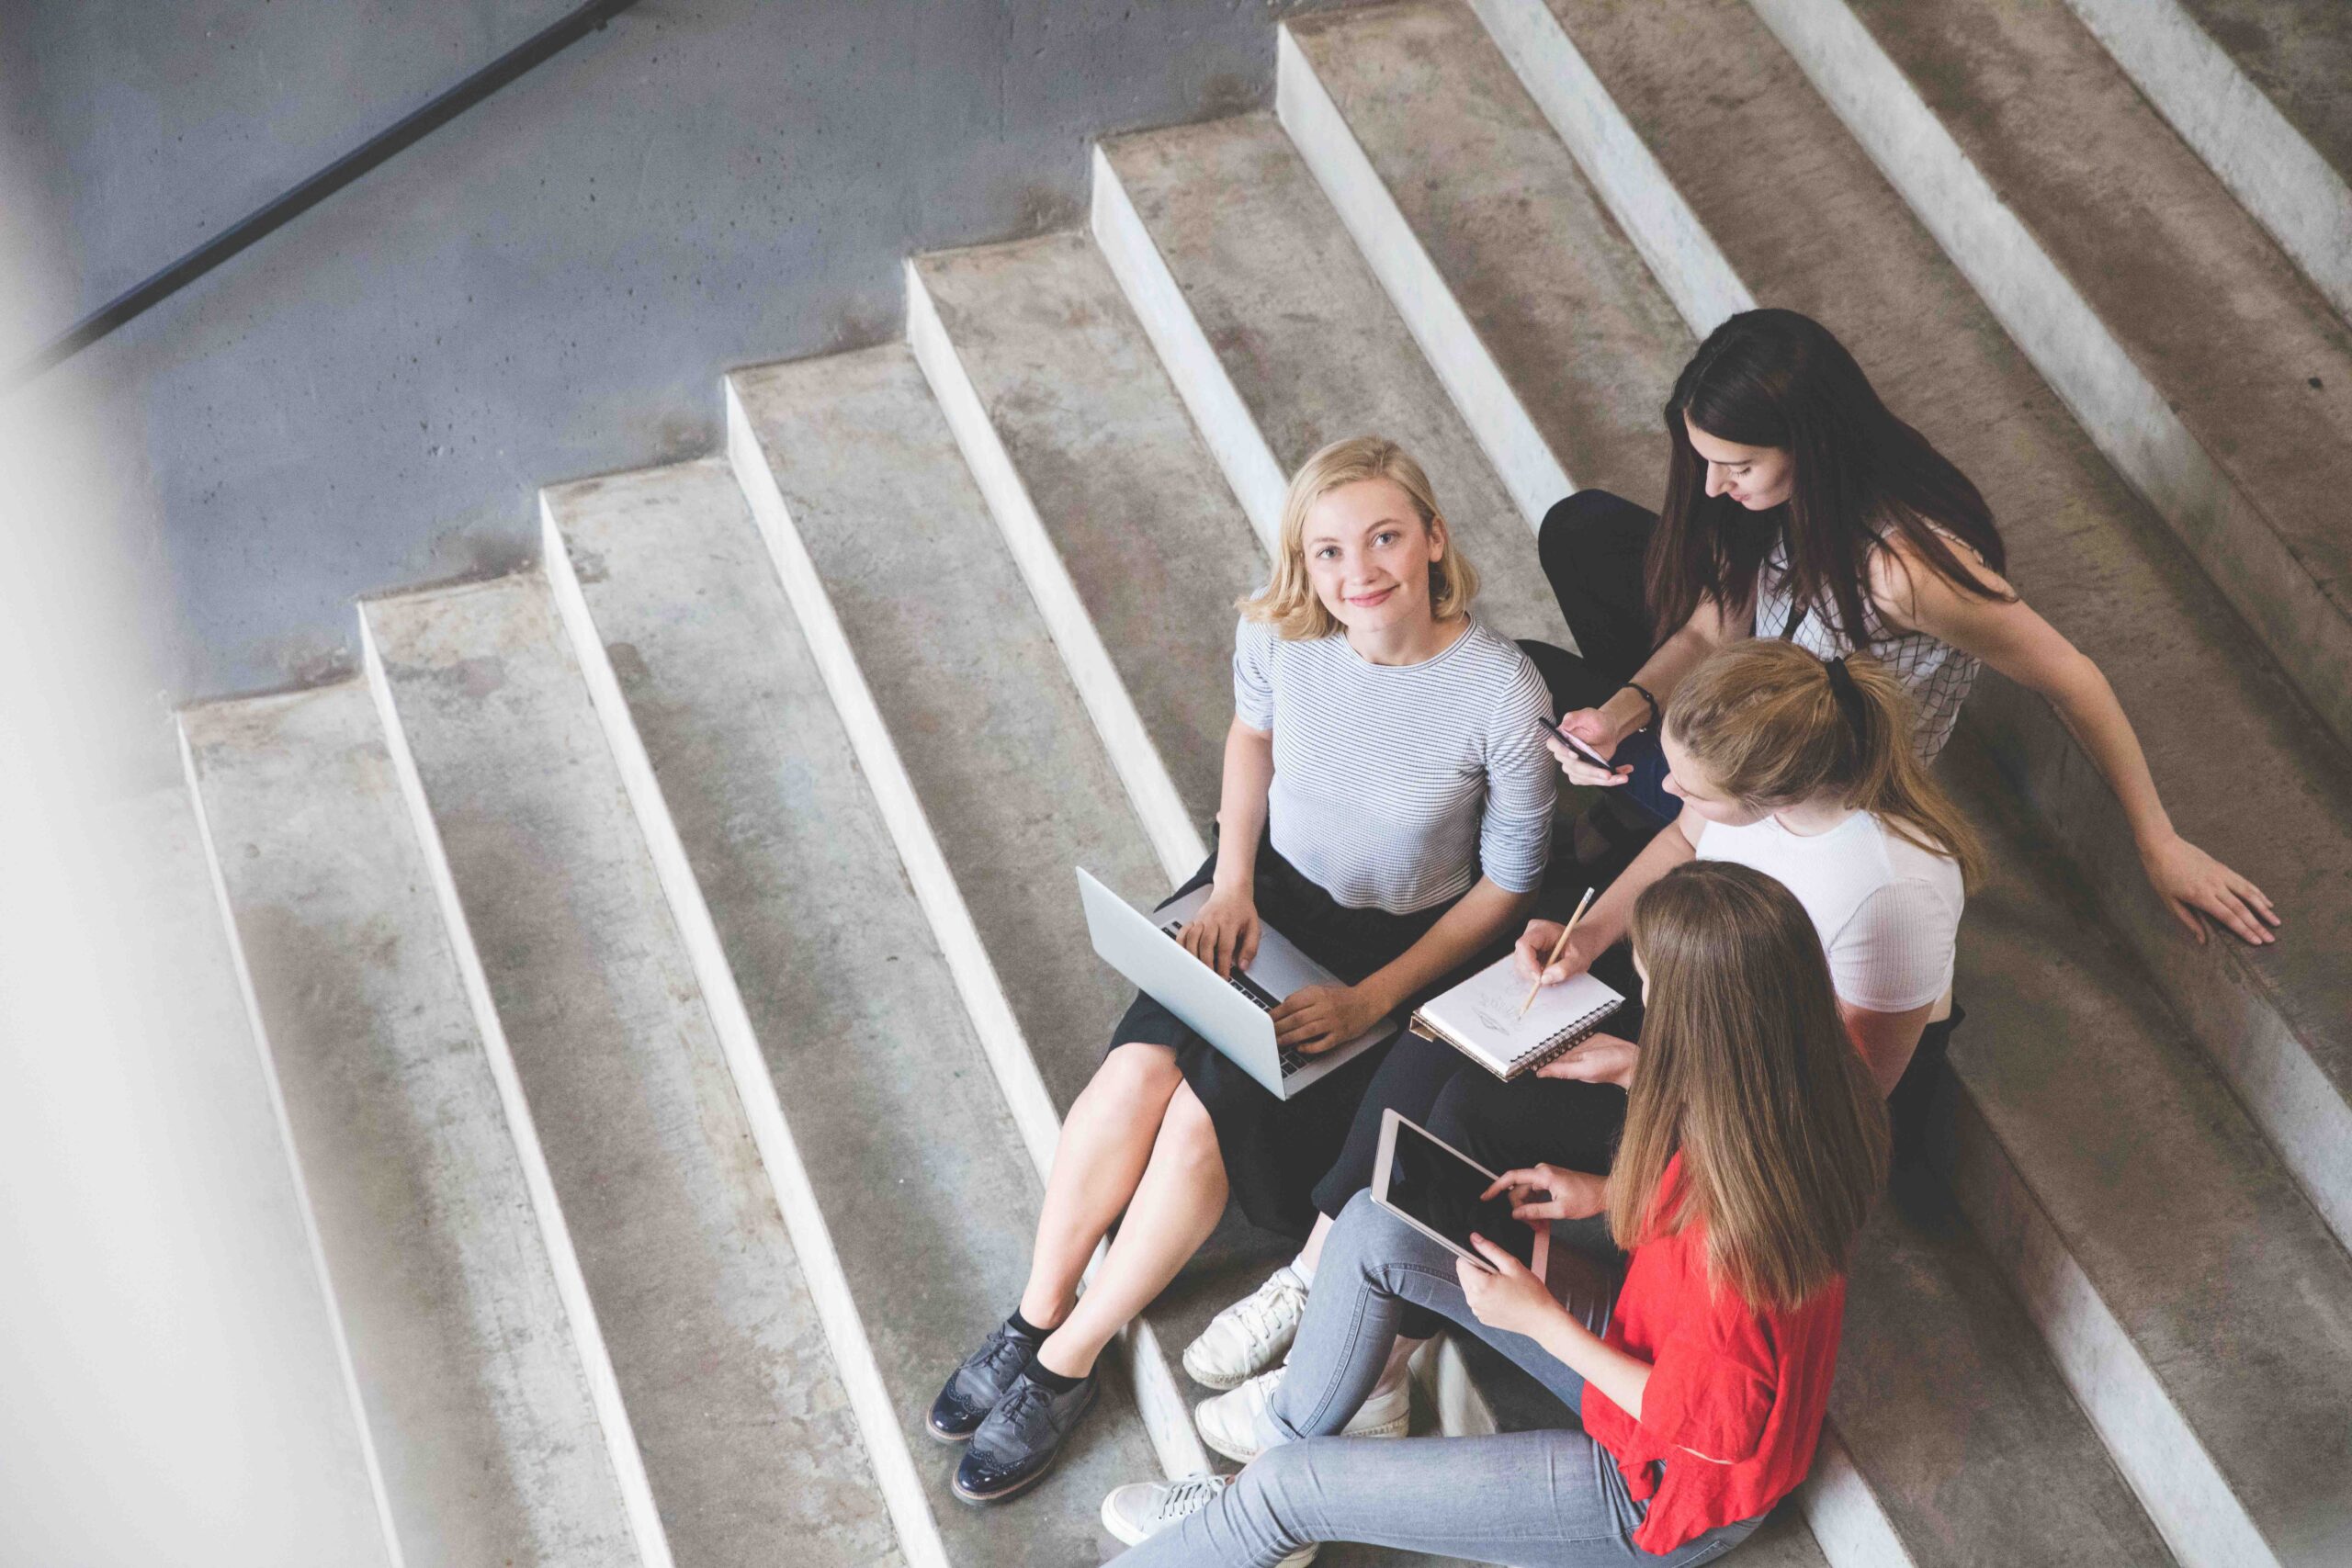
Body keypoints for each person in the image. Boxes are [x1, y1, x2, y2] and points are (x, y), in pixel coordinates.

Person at [927, 436, 1555, 1504]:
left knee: (1193, 1121)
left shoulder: (1500, 692)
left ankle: (1069, 1358)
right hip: (1258, 895)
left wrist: (1373, 998)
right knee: (1133, 1074)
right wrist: (1227, 883)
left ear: (1435, 539)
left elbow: (1506, 891)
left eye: (1386, 537)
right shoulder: (1279, 632)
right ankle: (1032, 1313)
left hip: (1388, 954)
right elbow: (1248, 742)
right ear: (1302, 565)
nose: (1359, 572)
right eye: (1328, 550)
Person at [1185, 638, 1973, 1436]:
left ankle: (1378, 1370)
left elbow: (1841, 1105)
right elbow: (1680, 841)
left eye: (1689, 784)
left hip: (1759, 1112)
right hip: (1693, 1019)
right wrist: (1588, 934)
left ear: (1772, 791)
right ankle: (1313, 1272)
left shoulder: (1892, 892)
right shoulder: (1752, 774)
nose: (1666, 790)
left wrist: (1651, 1077)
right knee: (1440, 1039)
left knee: (1474, 1117)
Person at [1098, 861, 1890, 1567]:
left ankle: (1254, 1507)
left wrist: (1540, 1320)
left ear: (1704, 1021)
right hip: (1650, 1334)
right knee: (1380, 1222)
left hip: (1658, 1485)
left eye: (1650, 989)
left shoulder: (1738, 1249)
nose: (1642, 1002)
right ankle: (1258, 1495)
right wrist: (1605, 1185)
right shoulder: (1813, 1087)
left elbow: (1706, 1425)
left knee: (1284, 1487)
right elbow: (1727, 1158)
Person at [1531, 307, 2275, 948]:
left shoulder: (1904, 570)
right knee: (1583, 529)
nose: (1713, 486)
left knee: (1531, 670)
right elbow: (1707, 629)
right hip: (1759, 693)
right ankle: (1635, 788)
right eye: (1707, 461)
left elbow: (2071, 676)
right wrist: (1621, 712)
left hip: (1811, 776)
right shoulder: (1778, 501)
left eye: (1737, 465)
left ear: (1808, 445)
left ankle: (1636, 808)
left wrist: (2158, 841)